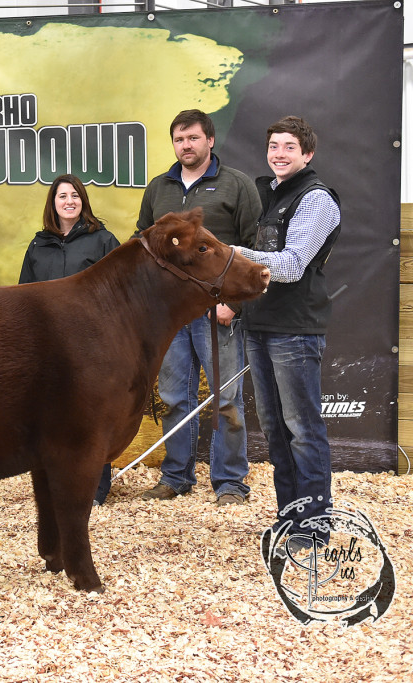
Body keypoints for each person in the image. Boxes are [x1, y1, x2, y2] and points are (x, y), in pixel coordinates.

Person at [135, 109, 260, 507]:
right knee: (174, 396)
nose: (185, 145)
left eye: (192, 138)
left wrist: (234, 306)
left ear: (209, 140)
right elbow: (143, 246)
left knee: (226, 398)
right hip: (170, 315)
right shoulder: (159, 188)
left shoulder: (237, 185)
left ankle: (230, 483)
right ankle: (176, 476)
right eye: (178, 139)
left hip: (217, 313)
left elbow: (254, 250)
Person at [235, 116, 340, 547]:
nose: (279, 153)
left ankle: (314, 527)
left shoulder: (317, 200)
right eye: (274, 145)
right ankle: (289, 517)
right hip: (259, 324)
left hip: (294, 330)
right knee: (276, 430)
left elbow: (294, 264)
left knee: (302, 428)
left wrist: (229, 255)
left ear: (307, 154)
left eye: (289, 147)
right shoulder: (267, 194)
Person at [19, 174, 120, 505]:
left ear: (83, 202)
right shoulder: (38, 245)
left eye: (75, 195)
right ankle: (53, 486)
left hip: (91, 347)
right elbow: (24, 295)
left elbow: (119, 292)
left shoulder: (103, 241)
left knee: (91, 416)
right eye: (62, 196)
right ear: (53, 203)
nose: (69, 201)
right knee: (51, 417)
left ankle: (95, 488)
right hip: (48, 348)